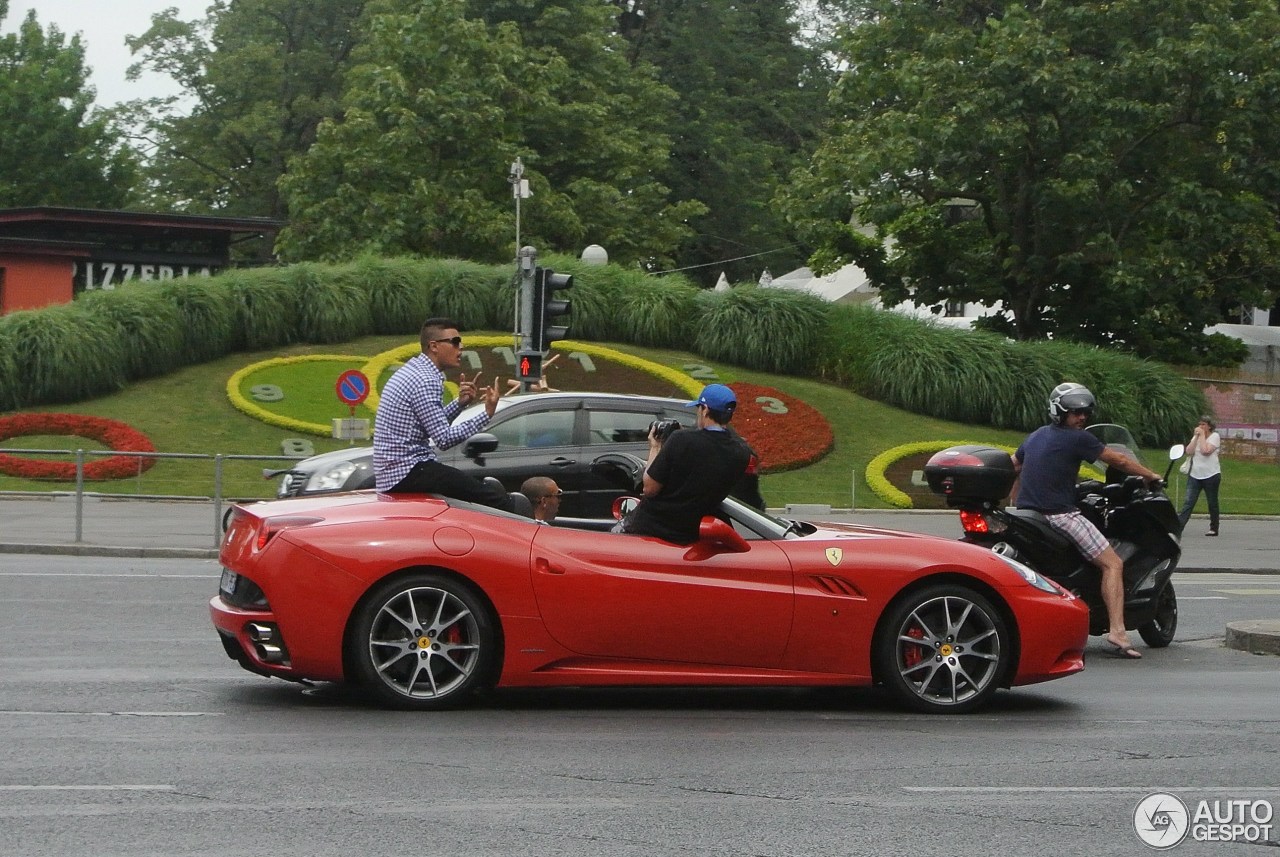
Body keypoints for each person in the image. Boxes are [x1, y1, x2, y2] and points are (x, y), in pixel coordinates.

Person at [1011, 382, 1162, 660]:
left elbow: (1014, 466)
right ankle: (1117, 630)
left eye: (1085, 413)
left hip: (1025, 516)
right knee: (1113, 563)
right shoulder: (1078, 439)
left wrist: (1013, 500)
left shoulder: (1036, 436)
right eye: (1075, 413)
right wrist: (1149, 475)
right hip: (1059, 516)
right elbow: (1117, 459)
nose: (1082, 418)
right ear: (1060, 413)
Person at [373, 317, 514, 512]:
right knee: (492, 499)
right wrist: (487, 413)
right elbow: (443, 439)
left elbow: (430, 426)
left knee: (472, 493)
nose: (460, 348)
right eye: (455, 342)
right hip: (407, 470)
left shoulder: (416, 371)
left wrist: (460, 403)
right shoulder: (426, 380)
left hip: (397, 471)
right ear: (434, 346)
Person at [613, 383, 752, 544]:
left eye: (698, 408)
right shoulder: (741, 452)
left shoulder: (681, 440)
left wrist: (655, 447)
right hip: (692, 536)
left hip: (650, 531)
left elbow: (650, 488)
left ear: (705, 409)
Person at [1178, 416, 1222, 536]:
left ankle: (1214, 528)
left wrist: (1202, 436)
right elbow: (1189, 451)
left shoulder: (1215, 437)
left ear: (1209, 426)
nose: (1200, 427)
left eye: (1203, 425)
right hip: (1195, 475)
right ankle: (1179, 527)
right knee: (1188, 502)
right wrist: (1196, 437)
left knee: (1212, 502)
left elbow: (1205, 451)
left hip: (1211, 474)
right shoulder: (1197, 437)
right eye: (1200, 424)